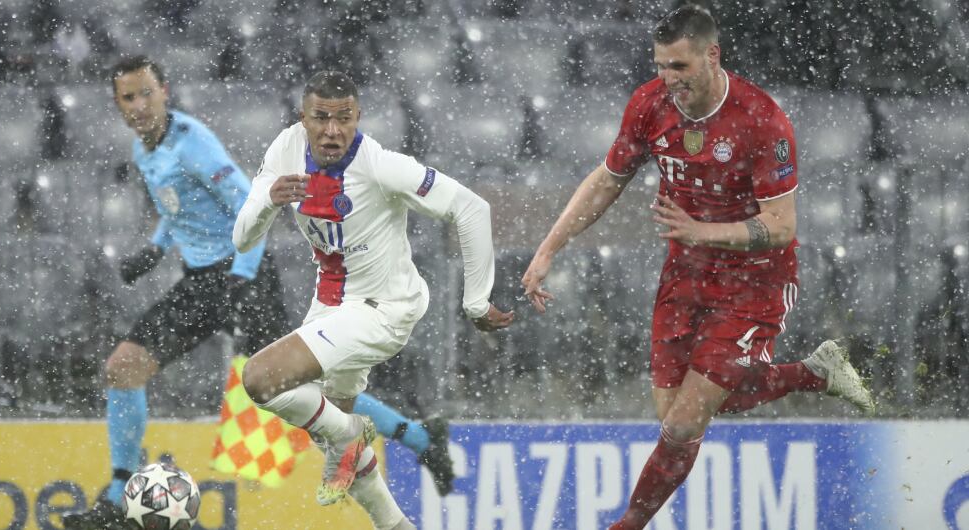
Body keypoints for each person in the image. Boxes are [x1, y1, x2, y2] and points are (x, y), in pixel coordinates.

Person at [520, 6, 876, 529]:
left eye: (680, 67)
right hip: (686, 273)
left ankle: (627, 525)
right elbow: (607, 178)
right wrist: (550, 247)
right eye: (662, 65)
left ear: (713, 56)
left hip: (756, 281)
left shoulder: (762, 120)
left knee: (686, 421)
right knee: (673, 416)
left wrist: (702, 231)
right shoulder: (649, 104)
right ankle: (812, 373)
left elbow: (780, 226)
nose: (669, 79)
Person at [64, 57, 455, 530]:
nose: (140, 105)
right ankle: (418, 436)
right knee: (130, 369)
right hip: (206, 277)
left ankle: (114, 503)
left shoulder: (194, 144)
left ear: (165, 91)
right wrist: (154, 248)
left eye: (147, 93)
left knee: (286, 386)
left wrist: (242, 275)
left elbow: (250, 201)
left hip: (237, 275)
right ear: (118, 104)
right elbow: (180, 205)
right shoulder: (146, 149)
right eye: (129, 97)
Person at [233, 70, 514, 530]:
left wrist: (477, 303)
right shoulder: (285, 148)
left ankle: (348, 432)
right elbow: (243, 239)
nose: (332, 129)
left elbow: (472, 208)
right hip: (331, 305)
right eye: (320, 117)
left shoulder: (381, 166)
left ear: (358, 117)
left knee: (261, 380)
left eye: (344, 118)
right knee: (336, 440)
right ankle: (395, 522)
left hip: (383, 310)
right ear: (303, 119)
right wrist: (266, 199)